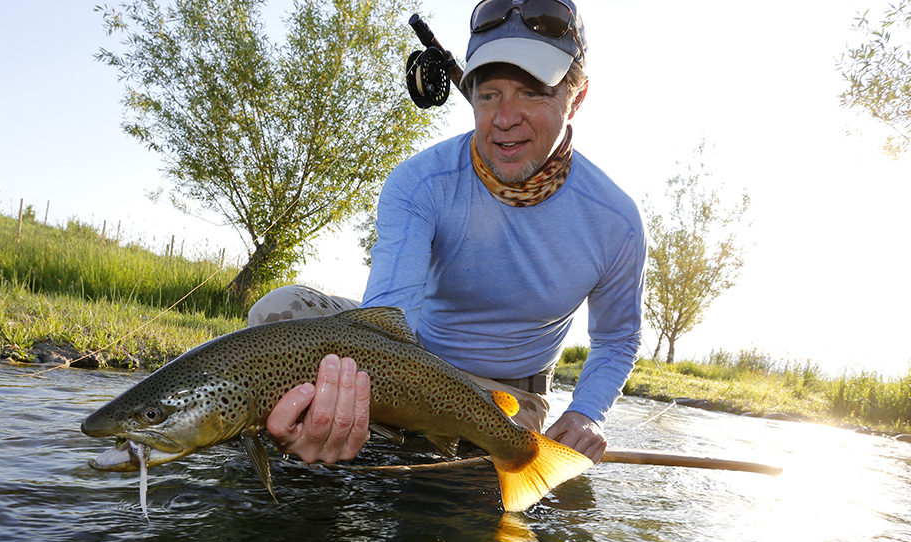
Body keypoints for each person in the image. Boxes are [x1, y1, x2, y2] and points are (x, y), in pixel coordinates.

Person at [252, 0, 645, 468]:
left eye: (533, 93)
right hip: (404, 360)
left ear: (576, 97)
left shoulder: (616, 221)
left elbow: (618, 339)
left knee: (462, 509)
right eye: (488, 93)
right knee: (278, 313)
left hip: (508, 394)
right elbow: (390, 318)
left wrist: (586, 413)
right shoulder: (420, 182)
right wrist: (351, 396)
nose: (504, 118)